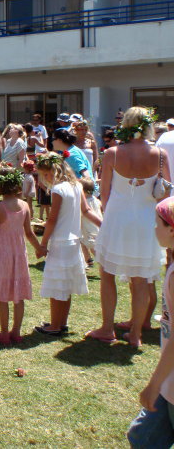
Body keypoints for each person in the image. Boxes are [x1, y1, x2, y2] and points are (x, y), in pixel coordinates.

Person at [88, 107, 169, 348]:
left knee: (107, 275)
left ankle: (107, 328)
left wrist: (108, 213)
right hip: (146, 220)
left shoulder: (112, 153)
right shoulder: (160, 154)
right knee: (141, 280)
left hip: (117, 218)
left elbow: (104, 193)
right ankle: (135, 333)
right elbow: (167, 192)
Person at [35, 153, 102, 336]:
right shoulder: (76, 185)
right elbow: (86, 211)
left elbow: (53, 219)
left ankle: (55, 325)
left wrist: (43, 243)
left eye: (46, 174)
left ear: (55, 171)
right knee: (65, 286)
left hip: (60, 243)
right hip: (74, 242)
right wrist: (103, 225)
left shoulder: (58, 190)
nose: (46, 178)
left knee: (57, 286)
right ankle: (61, 322)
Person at [127, 197, 174, 447]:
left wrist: (154, 384)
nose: (154, 228)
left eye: (157, 223)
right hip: (169, 379)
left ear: (171, 230)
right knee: (141, 436)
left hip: (170, 383)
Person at [0, 166, 39, 345]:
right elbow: (29, 233)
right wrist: (39, 248)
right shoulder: (25, 205)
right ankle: (16, 332)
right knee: (18, 296)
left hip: (2, 255)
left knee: (3, 296)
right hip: (19, 254)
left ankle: (4, 334)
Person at [79, 177, 102, 267]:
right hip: (97, 227)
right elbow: (100, 207)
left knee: (92, 247)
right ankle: (88, 259)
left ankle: (104, 265)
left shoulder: (84, 203)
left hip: (88, 229)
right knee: (83, 242)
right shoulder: (95, 200)